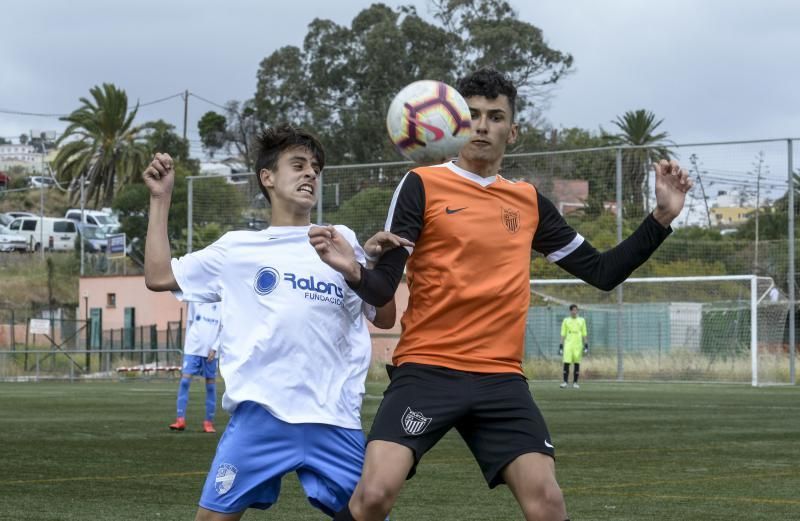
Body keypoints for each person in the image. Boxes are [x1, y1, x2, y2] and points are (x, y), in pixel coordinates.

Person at [310, 68, 693, 521]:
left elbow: (603, 272)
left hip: (500, 378)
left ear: (512, 132)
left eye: (495, 116)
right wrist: (355, 269)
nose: (482, 125)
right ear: (454, 123)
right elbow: (381, 287)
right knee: (373, 496)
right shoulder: (422, 184)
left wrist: (661, 217)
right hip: (428, 368)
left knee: (548, 504)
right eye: (471, 114)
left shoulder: (527, 201)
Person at [142, 124, 410, 521]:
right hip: (261, 419)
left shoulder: (340, 240)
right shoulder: (237, 248)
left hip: (333, 419)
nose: (310, 174)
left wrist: (366, 265)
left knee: (369, 512)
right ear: (267, 177)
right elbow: (158, 275)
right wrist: (161, 199)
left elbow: (383, 313)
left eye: (316, 168)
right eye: (298, 165)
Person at [169, 301, 222, 433]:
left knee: (210, 385)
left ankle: (208, 422)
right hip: (193, 349)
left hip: (211, 351)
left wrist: (215, 348)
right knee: (185, 381)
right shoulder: (195, 299)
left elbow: (224, 328)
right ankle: (180, 420)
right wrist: (187, 346)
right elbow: (190, 322)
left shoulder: (223, 301)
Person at [559, 304, 588, 389]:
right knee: (566, 362)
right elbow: (563, 333)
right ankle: (565, 382)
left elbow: (584, 333)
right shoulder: (566, 321)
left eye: (576, 310)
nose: (575, 312)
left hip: (578, 344)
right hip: (568, 344)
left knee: (577, 363)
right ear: (570, 311)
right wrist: (561, 345)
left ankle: (575, 382)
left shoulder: (582, 320)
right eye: (573, 310)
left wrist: (586, 345)